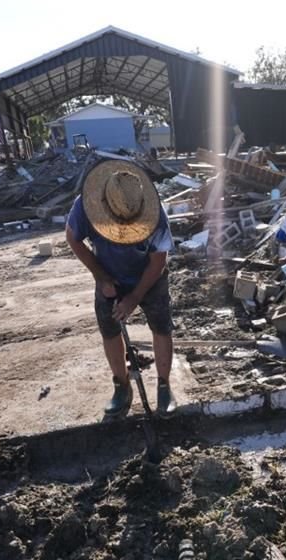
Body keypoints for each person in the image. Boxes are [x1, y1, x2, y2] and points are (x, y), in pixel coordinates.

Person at [65, 159, 177, 419]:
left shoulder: (156, 215)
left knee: (161, 327)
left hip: (149, 275)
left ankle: (164, 386)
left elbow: (158, 260)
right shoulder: (85, 206)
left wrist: (135, 297)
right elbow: (73, 238)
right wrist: (102, 278)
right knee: (110, 330)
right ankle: (122, 386)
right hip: (108, 274)